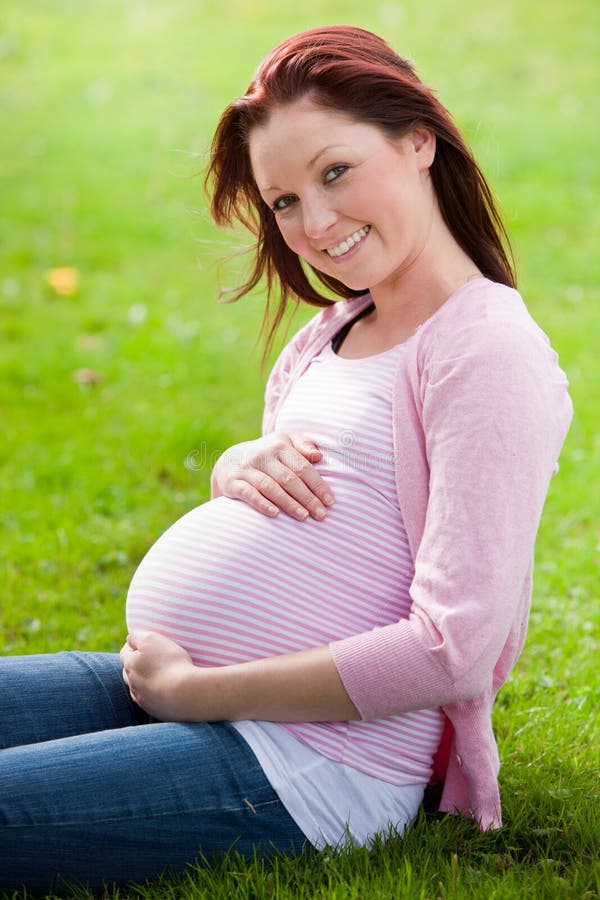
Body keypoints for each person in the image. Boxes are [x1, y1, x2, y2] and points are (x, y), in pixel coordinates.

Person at [0, 25, 572, 892]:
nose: (316, 223)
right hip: (182, 686)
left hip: (306, 766)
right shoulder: (330, 333)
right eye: (284, 202)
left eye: (335, 172)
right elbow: (330, 491)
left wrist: (196, 694)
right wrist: (235, 465)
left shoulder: (485, 351)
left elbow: (453, 648)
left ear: (418, 140)